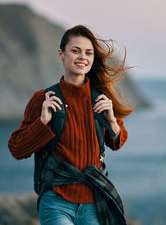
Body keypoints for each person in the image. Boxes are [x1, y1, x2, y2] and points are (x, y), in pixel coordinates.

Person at [8, 25, 134, 225]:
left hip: (94, 203)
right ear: (61, 54)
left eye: (88, 53)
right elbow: (16, 149)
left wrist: (111, 121)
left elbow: (117, 142)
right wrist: (43, 122)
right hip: (55, 201)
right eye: (75, 51)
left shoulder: (101, 99)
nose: (82, 57)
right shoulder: (43, 98)